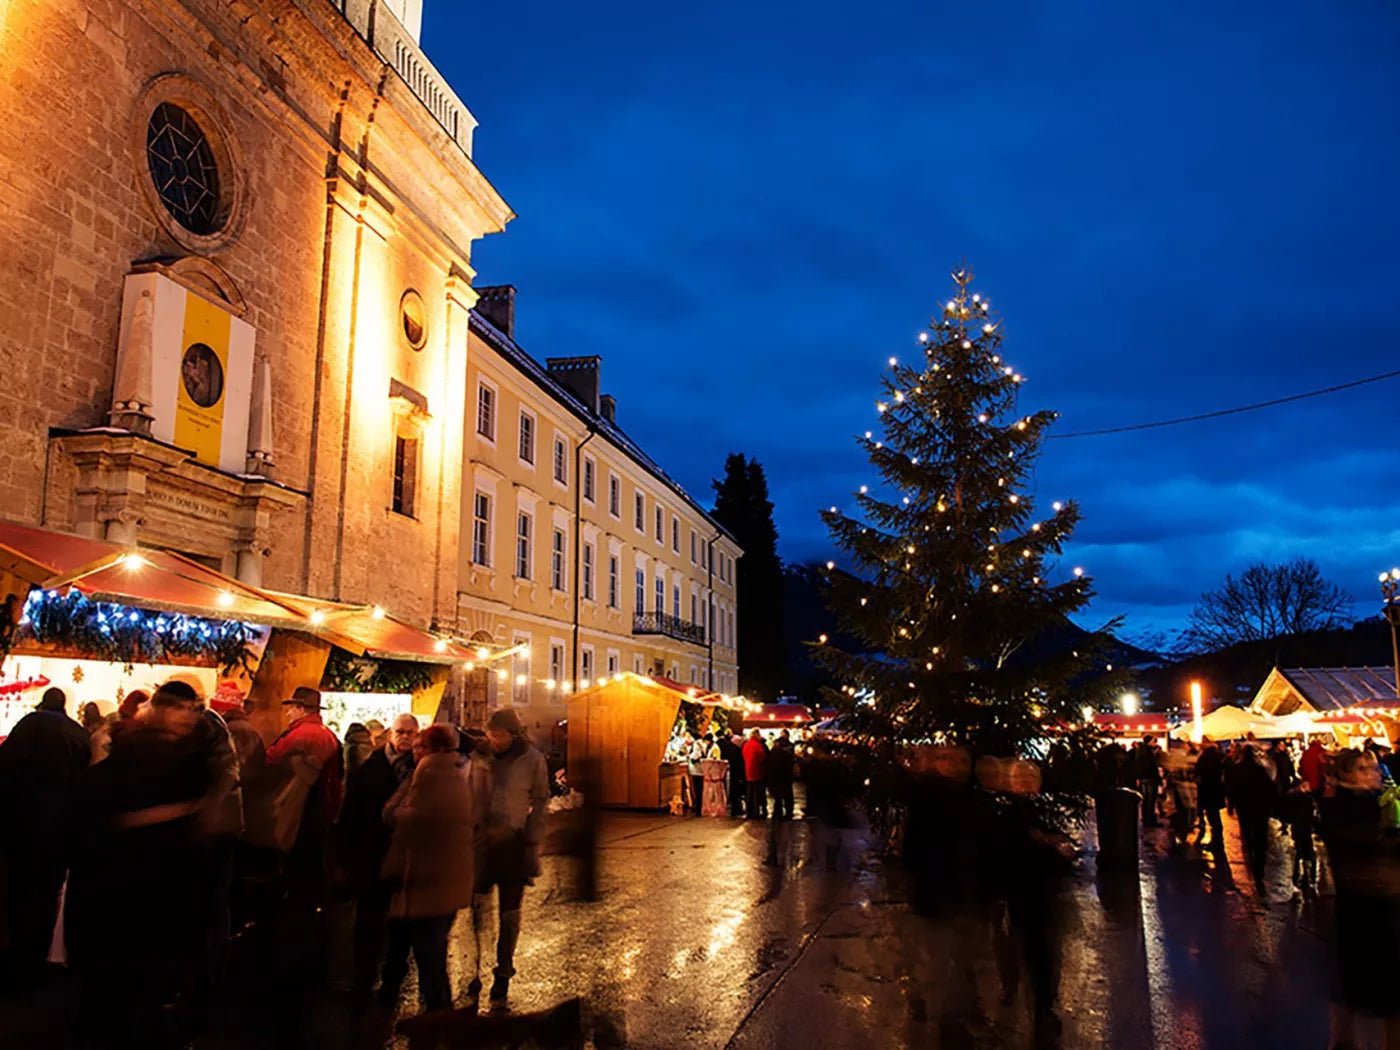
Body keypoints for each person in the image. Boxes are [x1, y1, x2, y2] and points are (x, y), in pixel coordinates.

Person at [66, 680, 212, 1047]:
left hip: (134, 887)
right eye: (179, 708)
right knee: (130, 983)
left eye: (191, 709)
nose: (186, 717)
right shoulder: (161, 756)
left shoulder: (183, 757)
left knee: (119, 985)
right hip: (138, 886)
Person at [378, 724, 480, 1013]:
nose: (414, 751)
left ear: (432, 749)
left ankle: (437, 1016)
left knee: (429, 955)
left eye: (419, 746)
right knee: (416, 948)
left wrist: (403, 799)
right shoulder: (450, 774)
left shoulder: (431, 774)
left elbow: (400, 817)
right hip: (435, 879)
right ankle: (414, 1007)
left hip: (429, 881)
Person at [0, 685, 90, 987]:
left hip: (23, 824)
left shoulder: (28, 726)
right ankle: (38, 958)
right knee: (48, 893)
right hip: (61, 828)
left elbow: (6, 770)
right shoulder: (78, 734)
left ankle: (17, 959)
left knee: (19, 892)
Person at [338, 712, 418, 1006]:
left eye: (410, 732)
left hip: (405, 858)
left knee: (400, 924)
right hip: (372, 855)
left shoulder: (420, 768)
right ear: (390, 734)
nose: (405, 737)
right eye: (400, 732)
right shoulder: (370, 767)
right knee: (368, 922)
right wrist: (345, 857)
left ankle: (391, 984)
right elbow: (351, 811)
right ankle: (362, 981)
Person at [470, 707, 548, 1007]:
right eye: (491, 734)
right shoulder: (479, 757)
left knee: (510, 913)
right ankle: (474, 967)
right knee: (478, 909)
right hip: (481, 842)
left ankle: (503, 971)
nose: (495, 739)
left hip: (514, 843)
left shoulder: (532, 759)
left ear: (514, 734)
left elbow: (540, 800)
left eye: (500, 735)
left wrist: (533, 838)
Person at [263, 686, 343, 902]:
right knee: (314, 860)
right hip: (323, 806)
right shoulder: (329, 735)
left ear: (301, 709)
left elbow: (270, 758)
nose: (288, 713)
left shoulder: (299, 734)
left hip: (299, 806)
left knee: (296, 859)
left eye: (291, 708)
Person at [1194, 737, 1226, 850]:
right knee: (1214, 815)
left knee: (1213, 816)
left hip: (1208, 790)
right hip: (1215, 790)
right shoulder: (1217, 755)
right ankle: (1217, 841)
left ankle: (1217, 842)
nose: (1200, 743)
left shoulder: (1207, 756)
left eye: (1203, 741)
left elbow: (1201, 772)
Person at [1133, 735, 1163, 827]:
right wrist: (1158, 779)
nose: (1155, 743)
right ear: (1149, 741)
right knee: (1150, 801)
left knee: (1146, 800)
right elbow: (1152, 766)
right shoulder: (1148, 752)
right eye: (1153, 741)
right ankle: (1150, 821)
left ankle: (1146, 819)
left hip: (1143, 779)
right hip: (1150, 779)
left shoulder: (1140, 751)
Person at [766, 731, 796, 821]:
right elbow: (791, 764)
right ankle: (788, 813)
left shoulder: (772, 753)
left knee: (778, 797)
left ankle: (777, 814)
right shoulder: (787, 753)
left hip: (775, 778)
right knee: (787, 796)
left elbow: (769, 765)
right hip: (786, 777)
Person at [719, 732, 746, 817]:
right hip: (737, 774)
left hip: (733, 773)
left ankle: (735, 809)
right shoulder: (737, 752)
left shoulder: (730, 750)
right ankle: (737, 809)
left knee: (734, 791)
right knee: (737, 791)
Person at [742, 730, 767, 820]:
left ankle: (749, 812)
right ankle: (756, 812)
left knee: (750, 793)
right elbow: (762, 758)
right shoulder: (757, 745)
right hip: (757, 772)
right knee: (757, 794)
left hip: (748, 771)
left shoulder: (746, 744)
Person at [686, 733, 706, 817]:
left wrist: (689, 757)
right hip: (700, 770)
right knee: (700, 790)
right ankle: (700, 808)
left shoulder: (697, 744)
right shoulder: (702, 743)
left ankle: (698, 809)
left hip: (696, 771)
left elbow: (696, 756)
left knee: (698, 790)